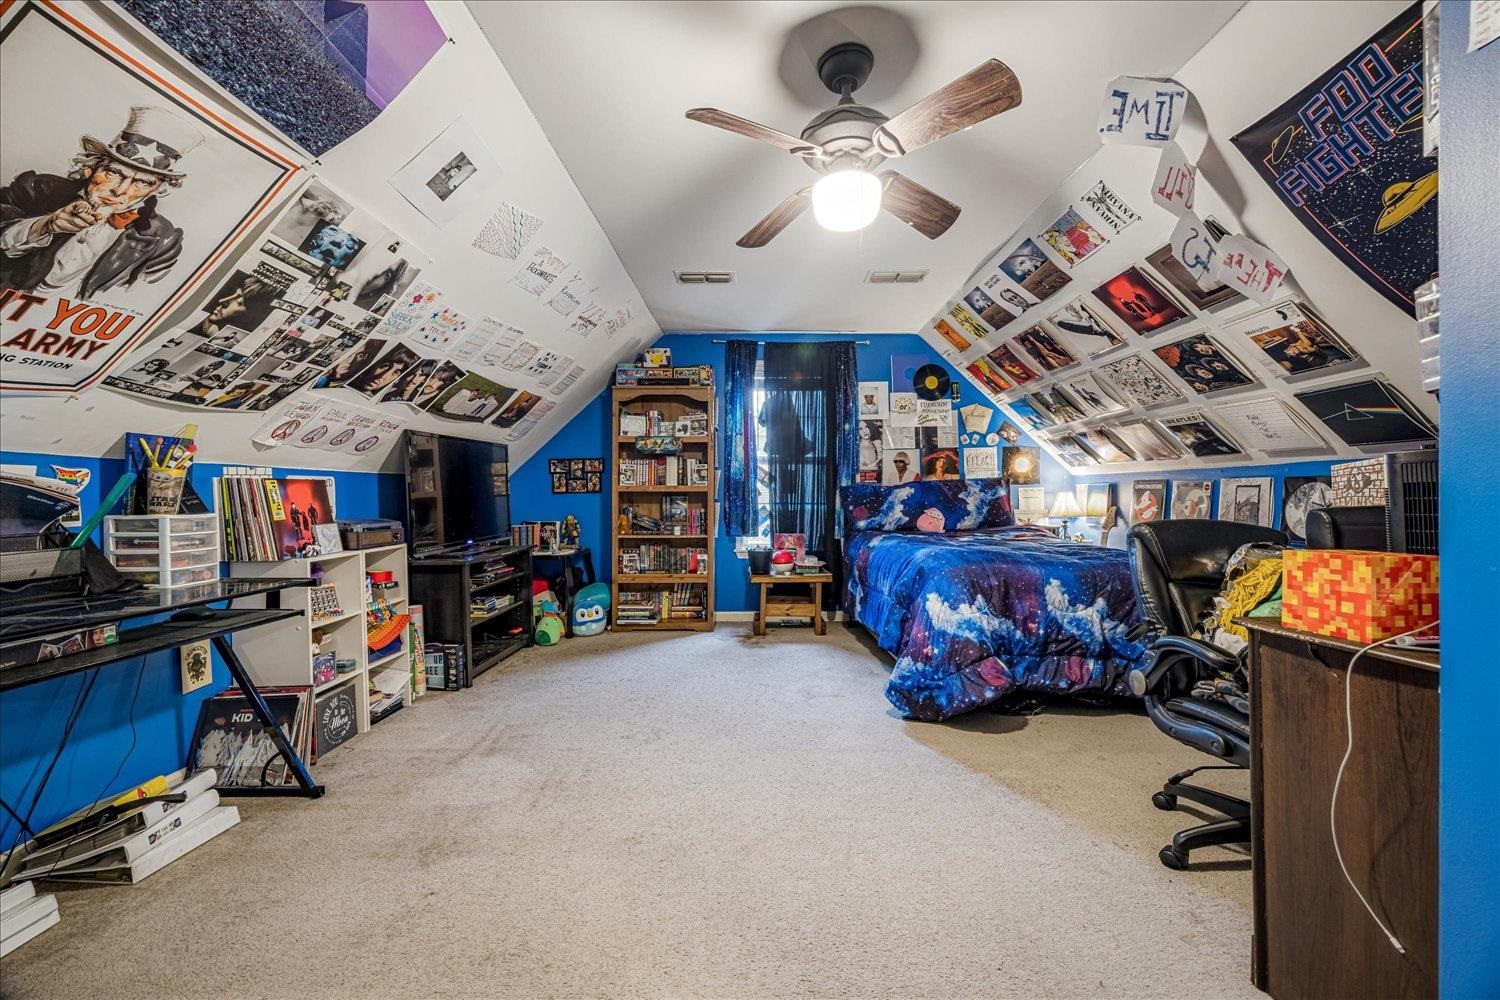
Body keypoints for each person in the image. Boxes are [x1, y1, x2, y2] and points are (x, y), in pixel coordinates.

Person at [1, 105, 204, 301]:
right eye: (114, 172)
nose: (120, 190)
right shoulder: (36, 188)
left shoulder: (164, 239)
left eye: (143, 182)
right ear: (92, 167)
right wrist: (44, 226)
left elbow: (141, 298)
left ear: (159, 189)